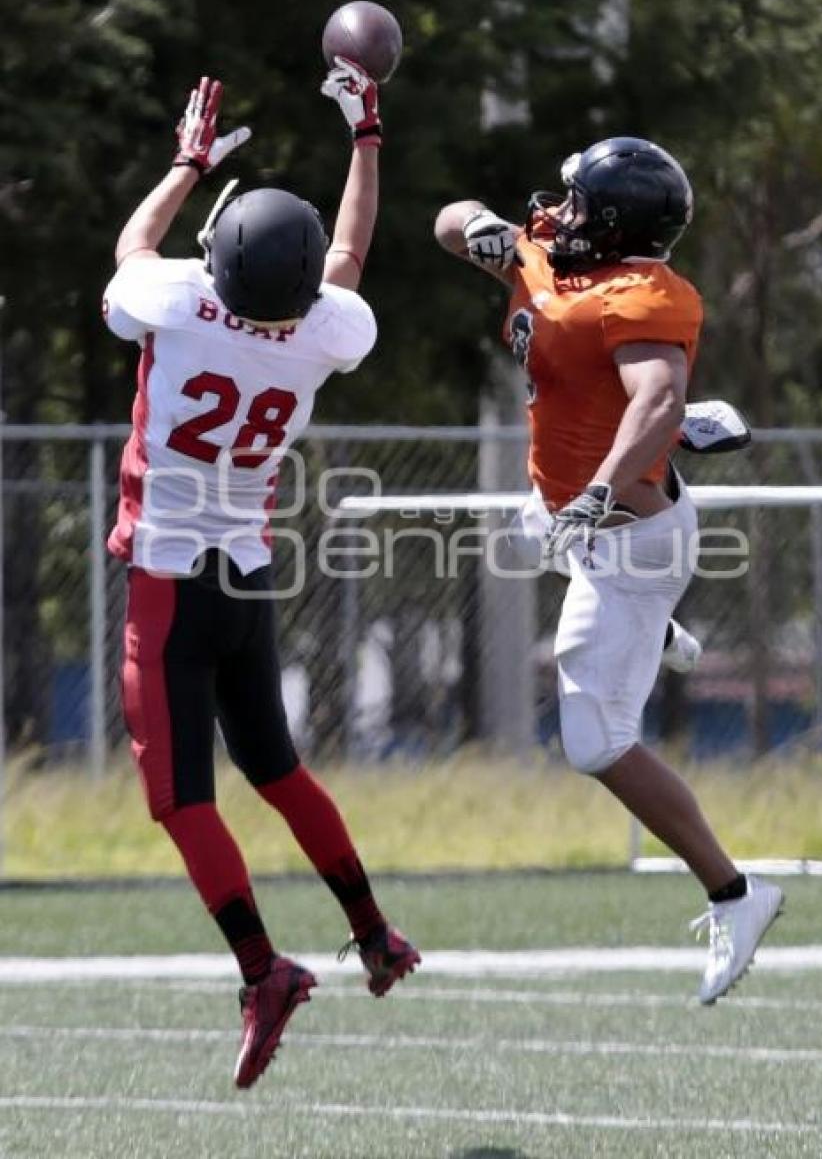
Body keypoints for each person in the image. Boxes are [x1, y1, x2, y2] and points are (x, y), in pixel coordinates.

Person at [103, 66, 419, 1089]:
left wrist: (187, 165)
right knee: (276, 772)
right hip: (246, 575)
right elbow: (351, 254)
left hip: (166, 577)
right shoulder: (324, 333)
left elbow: (131, 253)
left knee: (178, 801)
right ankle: (372, 933)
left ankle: (262, 969)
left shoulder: (177, 302)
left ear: (223, 262)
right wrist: (365, 134)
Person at [435, 136, 783, 1003]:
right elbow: (446, 222)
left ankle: (737, 893)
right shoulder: (548, 261)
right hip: (570, 512)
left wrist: (600, 488)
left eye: (580, 203)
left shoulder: (643, 295)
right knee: (523, 536)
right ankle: (652, 632)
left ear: (617, 221)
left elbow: (656, 394)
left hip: (634, 542)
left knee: (593, 742)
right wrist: (482, 230)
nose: (561, 213)